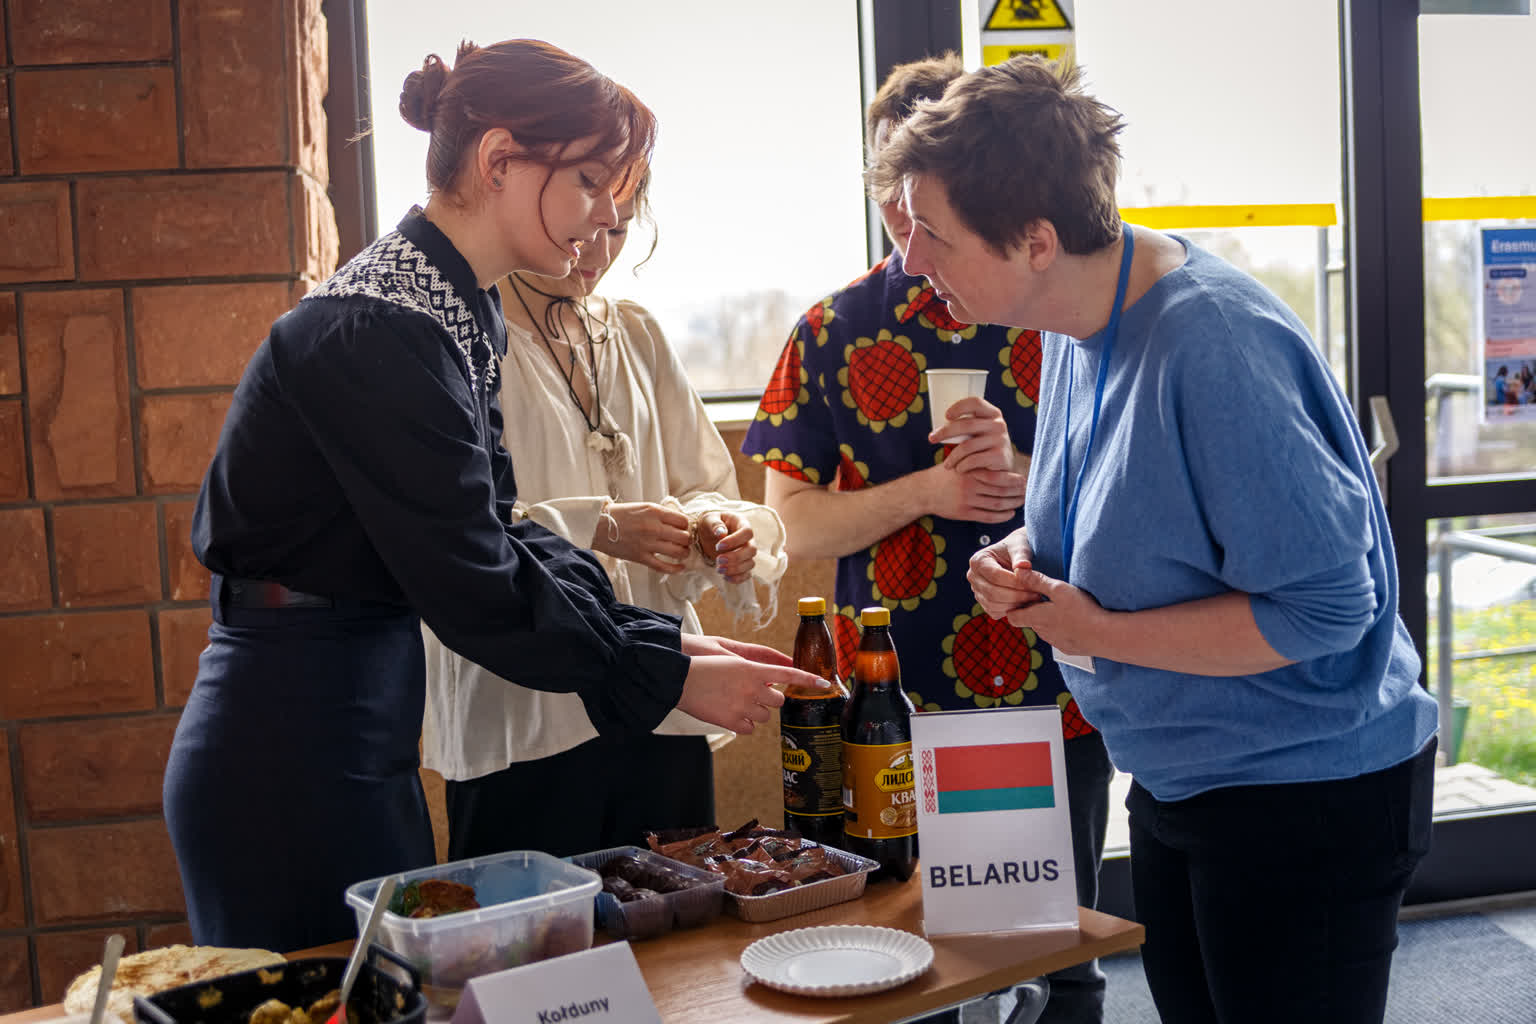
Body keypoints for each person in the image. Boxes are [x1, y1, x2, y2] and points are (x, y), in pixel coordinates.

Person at [164, 39, 823, 952]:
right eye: (588, 181)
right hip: (290, 729)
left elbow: (506, 532)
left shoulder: (449, 307)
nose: (606, 214)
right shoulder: (378, 326)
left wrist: (663, 638)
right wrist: (664, 673)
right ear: (500, 159)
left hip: (359, 706)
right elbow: (477, 580)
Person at [870, 55, 1437, 1024]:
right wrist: (1030, 552)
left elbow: (1329, 609)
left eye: (934, 234)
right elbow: (1144, 512)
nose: (912, 260)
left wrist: (1094, 628)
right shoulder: (1072, 322)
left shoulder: (1214, 344)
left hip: (1305, 786)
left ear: (1036, 240)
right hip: (1185, 771)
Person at [742, 54, 1114, 1024]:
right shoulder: (831, 330)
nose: (908, 215)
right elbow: (792, 519)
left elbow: (1126, 488)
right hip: (895, 698)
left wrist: (1020, 474)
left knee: (1064, 952)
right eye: (892, 188)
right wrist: (931, 491)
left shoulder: (1057, 311)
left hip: (1054, 683)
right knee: (905, 965)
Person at [421, 171, 789, 860]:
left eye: (618, 231)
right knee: (537, 921)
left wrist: (717, 531)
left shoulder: (637, 334)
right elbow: (457, 526)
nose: (596, 251)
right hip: (524, 704)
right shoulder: (465, 337)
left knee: (680, 910)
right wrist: (602, 525)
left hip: (664, 692)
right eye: (585, 229)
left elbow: (703, 482)